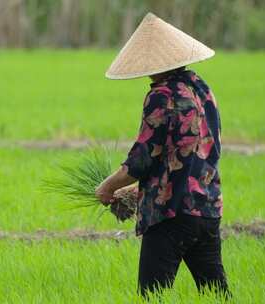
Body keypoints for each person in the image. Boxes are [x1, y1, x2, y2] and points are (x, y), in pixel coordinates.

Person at [95, 13, 230, 299]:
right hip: (206, 208)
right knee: (217, 294)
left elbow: (142, 159)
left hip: (171, 213)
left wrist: (108, 186)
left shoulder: (161, 95)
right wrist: (141, 188)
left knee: (152, 295)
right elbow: (198, 149)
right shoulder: (202, 89)